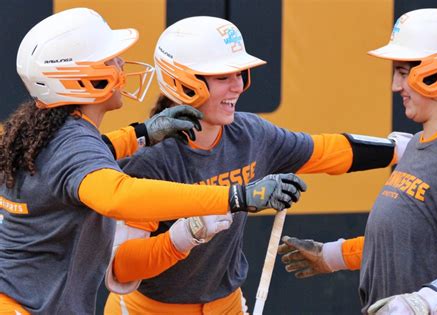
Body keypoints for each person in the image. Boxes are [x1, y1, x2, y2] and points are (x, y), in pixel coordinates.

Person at [0, 8, 308, 314]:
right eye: (110, 60)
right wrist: (236, 196)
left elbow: (86, 157)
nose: (121, 64)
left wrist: (141, 134)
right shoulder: (73, 142)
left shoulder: (53, 132)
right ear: (81, 80)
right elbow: (119, 196)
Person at [103, 16, 412, 314]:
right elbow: (122, 266)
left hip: (226, 305)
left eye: (240, 74)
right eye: (223, 77)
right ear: (183, 83)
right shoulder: (149, 158)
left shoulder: (250, 133)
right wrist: (186, 235)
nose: (238, 86)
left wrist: (405, 149)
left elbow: (326, 151)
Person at [278, 8, 437, 315]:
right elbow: (408, 240)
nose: (396, 87)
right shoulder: (421, 145)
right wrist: (330, 256)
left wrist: (427, 300)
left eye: (403, 73)